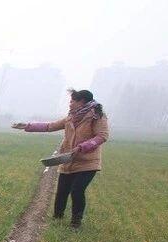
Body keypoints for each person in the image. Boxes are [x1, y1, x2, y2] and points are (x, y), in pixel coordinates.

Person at [12, 89, 109, 228]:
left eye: (72, 101)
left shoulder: (97, 116)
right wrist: (27, 126)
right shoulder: (71, 117)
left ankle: (76, 223)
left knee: (77, 190)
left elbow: (102, 136)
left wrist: (82, 147)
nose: (69, 103)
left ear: (81, 102)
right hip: (68, 159)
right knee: (62, 191)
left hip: (88, 162)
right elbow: (50, 126)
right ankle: (57, 218)